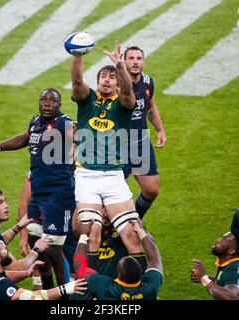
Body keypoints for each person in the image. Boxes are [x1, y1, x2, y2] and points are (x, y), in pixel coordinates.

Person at [0, 88, 75, 288]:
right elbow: (23, 139)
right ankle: (45, 288)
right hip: (39, 195)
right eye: (43, 99)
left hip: (59, 196)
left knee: (54, 249)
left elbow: (81, 135)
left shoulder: (65, 123)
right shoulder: (35, 122)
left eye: (52, 101)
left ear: (59, 105)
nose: (47, 104)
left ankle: (64, 295)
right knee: (36, 239)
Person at [71, 41, 146, 267]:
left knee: (132, 233)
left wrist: (121, 67)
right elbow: (76, 81)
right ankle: (90, 287)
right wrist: (77, 55)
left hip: (114, 176)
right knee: (91, 231)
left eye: (111, 77)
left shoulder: (123, 103)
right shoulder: (87, 99)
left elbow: (127, 92)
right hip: (86, 176)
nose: (107, 79)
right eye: (103, 76)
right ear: (97, 81)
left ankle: (142, 288)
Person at [123, 46, 166, 219]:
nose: (135, 62)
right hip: (118, 143)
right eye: (131, 58)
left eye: (139, 58)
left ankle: (135, 221)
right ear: (124, 61)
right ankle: (114, 234)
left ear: (144, 61)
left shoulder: (148, 81)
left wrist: (160, 129)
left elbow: (150, 105)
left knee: (151, 189)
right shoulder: (115, 82)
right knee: (119, 197)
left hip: (140, 140)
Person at [0, 236, 87, 300]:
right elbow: (34, 297)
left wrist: (29, 273)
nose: (6, 248)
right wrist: (68, 288)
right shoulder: (1, 286)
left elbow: (5, 274)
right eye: (2, 248)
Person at [74, 220, 163, 300]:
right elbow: (155, 259)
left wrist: (83, 235)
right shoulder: (150, 288)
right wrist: (141, 231)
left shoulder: (109, 290)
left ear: (119, 275)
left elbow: (80, 269)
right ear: (141, 272)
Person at [17, 173, 78, 290]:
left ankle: (66, 296)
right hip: (44, 223)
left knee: (71, 269)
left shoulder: (78, 168)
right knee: (43, 263)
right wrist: (24, 236)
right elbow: (25, 201)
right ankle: (48, 291)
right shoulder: (40, 167)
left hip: (70, 223)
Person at [191, 230, 239, 300]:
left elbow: (231, 297)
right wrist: (205, 277)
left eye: (223, 240)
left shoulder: (234, 268)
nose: (217, 240)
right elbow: (222, 281)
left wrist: (203, 278)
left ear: (231, 251)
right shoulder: (229, 265)